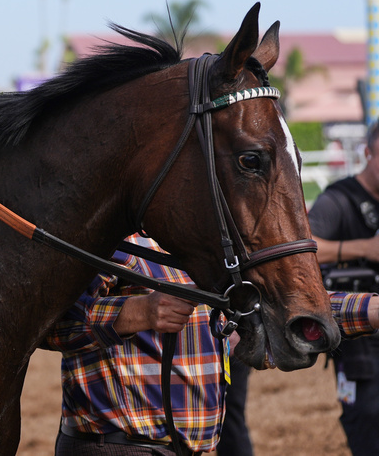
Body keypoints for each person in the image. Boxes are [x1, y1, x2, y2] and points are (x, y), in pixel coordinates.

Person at [42, 234, 379, 456]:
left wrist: (371, 309)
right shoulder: (111, 239)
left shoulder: (209, 249)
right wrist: (139, 312)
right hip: (115, 447)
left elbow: (281, 308)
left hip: (190, 449)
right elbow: (52, 328)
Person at [309, 121, 379, 456]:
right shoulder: (338, 198)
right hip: (359, 336)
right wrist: (364, 248)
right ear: (367, 153)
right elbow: (305, 248)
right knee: (366, 416)